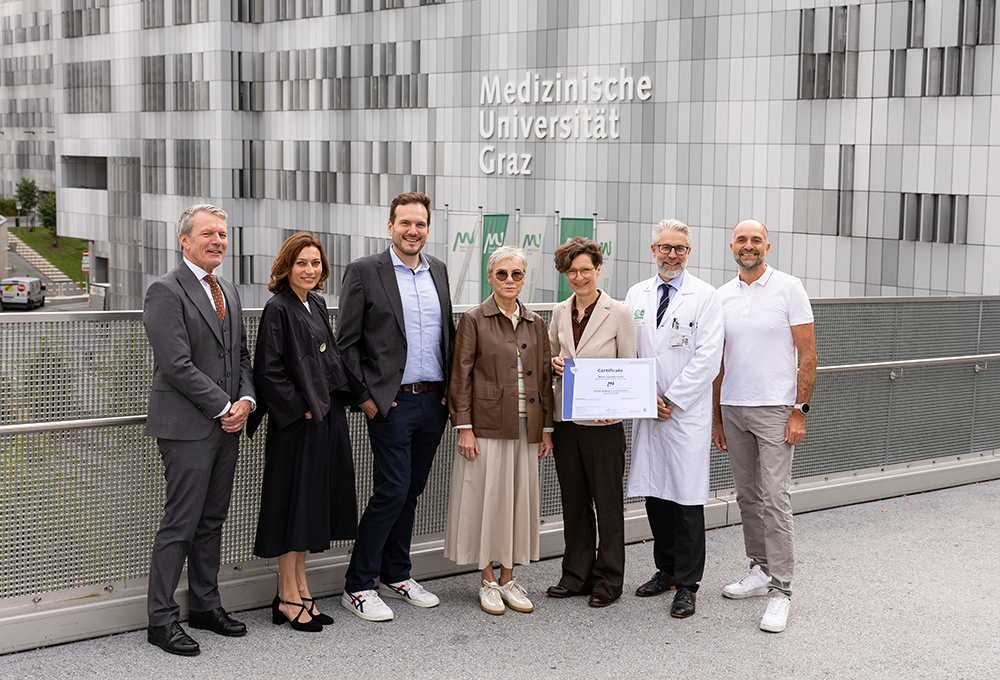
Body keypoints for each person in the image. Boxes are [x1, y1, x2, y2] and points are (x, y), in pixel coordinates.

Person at [142, 204, 256, 656]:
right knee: (181, 523)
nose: (219, 241)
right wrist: (225, 405)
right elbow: (175, 365)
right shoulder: (165, 291)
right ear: (184, 240)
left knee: (212, 521)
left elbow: (242, 355)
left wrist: (246, 401)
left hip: (228, 425)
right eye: (209, 233)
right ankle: (161, 619)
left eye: (224, 235)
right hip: (188, 428)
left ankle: (206, 606)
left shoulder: (226, 287)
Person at [336, 192, 454, 621]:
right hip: (390, 403)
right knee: (390, 491)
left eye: (420, 224)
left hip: (434, 402)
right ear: (390, 226)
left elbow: (447, 335)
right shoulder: (366, 271)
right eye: (405, 223)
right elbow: (345, 345)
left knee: (411, 492)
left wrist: (451, 394)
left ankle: (397, 573)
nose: (413, 231)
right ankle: (358, 585)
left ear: (427, 228)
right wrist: (366, 400)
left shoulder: (438, 270)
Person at [247, 232, 362, 632]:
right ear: (286, 267)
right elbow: (269, 371)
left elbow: (331, 362)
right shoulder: (277, 308)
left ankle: (299, 590)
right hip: (296, 426)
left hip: (324, 419)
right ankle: (288, 596)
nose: (310, 270)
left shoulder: (315, 303)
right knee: (290, 508)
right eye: (302, 263)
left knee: (309, 507)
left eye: (315, 263)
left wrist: (357, 397)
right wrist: (302, 411)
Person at [712, 218, 816, 634]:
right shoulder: (720, 296)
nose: (748, 246)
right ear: (732, 245)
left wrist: (799, 411)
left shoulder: (789, 288)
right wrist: (717, 416)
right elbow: (718, 361)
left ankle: (781, 592)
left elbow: (807, 355)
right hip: (733, 406)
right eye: (741, 240)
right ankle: (758, 570)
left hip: (776, 409)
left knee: (775, 498)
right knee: (747, 496)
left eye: (756, 240)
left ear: (767, 247)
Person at [444, 245, 554, 615]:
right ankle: (487, 579)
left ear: (525, 278)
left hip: (528, 426)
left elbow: (542, 378)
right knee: (486, 501)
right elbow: (460, 375)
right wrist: (464, 427)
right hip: (486, 426)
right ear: (490, 277)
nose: (510, 281)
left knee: (518, 501)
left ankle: (509, 578)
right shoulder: (474, 319)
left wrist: (548, 430)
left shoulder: (537, 322)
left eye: (517, 274)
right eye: (502, 274)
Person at [623, 218, 723, 619]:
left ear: (688, 253)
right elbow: (627, 349)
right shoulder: (636, 294)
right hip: (648, 410)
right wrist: (648, 397)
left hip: (685, 414)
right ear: (653, 251)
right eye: (666, 247)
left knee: (685, 499)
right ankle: (664, 570)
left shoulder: (706, 296)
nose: (672, 255)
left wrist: (672, 400)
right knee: (655, 495)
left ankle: (687, 584)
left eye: (680, 249)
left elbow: (708, 357)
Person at [545, 237, 636, 608]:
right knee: (574, 502)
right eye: (572, 271)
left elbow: (629, 367)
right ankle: (576, 575)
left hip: (603, 423)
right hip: (567, 421)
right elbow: (551, 355)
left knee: (608, 504)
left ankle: (608, 581)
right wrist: (554, 365)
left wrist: (614, 407)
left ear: (598, 269)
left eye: (586, 269)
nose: (579, 277)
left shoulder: (620, 312)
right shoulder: (558, 311)